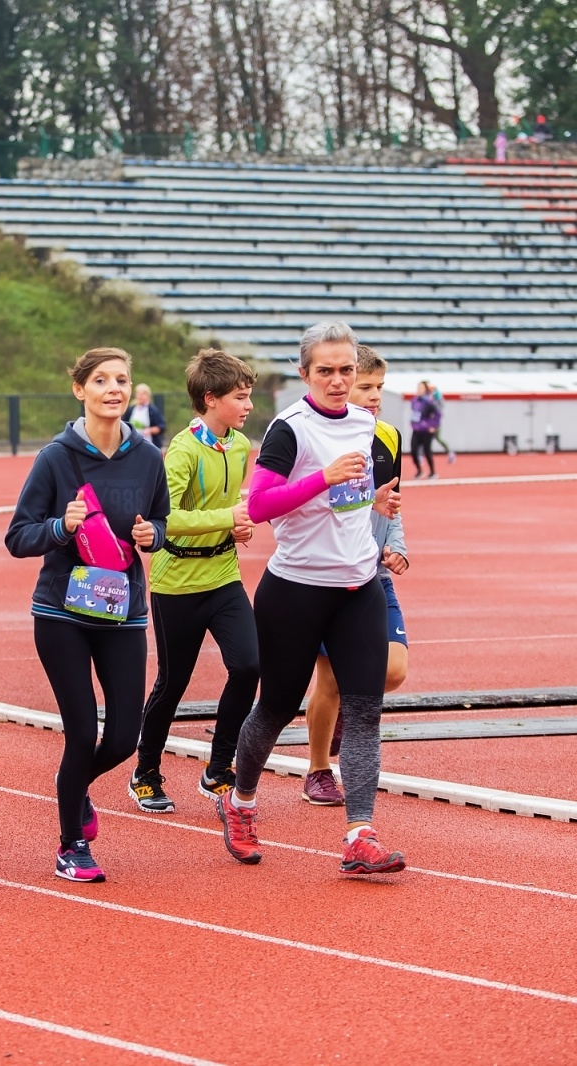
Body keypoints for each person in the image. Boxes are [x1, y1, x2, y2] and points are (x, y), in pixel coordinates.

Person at [216, 322, 405, 876]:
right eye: (326, 370)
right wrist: (324, 477)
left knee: (366, 712)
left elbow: (353, 499)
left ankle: (359, 833)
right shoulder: (288, 429)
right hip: (295, 591)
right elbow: (261, 505)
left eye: (347, 369)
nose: (339, 380)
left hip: (358, 588)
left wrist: (378, 505)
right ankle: (241, 802)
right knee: (275, 708)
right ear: (305, 374)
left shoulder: (368, 423)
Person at [5, 347, 169, 883]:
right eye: (101, 380)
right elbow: (18, 536)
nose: (114, 388)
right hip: (62, 612)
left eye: (122, 379)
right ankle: (71, 842)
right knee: (81, 732)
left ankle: (72, 789)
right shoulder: (56, 458)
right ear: (80, 390)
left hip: (123, 611)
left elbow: (162, 521)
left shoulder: (147, 457)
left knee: (123, 735)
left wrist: (154, 535)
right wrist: (61, 527)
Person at [128, 349, 260, 813]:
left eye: (249, 397)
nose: (248, 406)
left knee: (248, 665)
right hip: (176, 581)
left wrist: (235, 527)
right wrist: (227, 516)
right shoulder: (182, 449)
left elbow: (226, 511)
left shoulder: (241, 446)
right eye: (240, 398)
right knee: (173, 682)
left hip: (223, 574)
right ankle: (146, 771)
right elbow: (166, 516)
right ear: (210, 398)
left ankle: (219, 767)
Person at [302, 346, 410, 806]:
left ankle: (348, 713)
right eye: (366, 386)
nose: (374, 395)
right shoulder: (323, 437)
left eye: (379, 387)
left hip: (374, 573)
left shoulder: (388, 436)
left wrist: (397, 545)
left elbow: (394, 502)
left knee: (394, 670)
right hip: (331, 574)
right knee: (328, 680)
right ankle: (318, 769)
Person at [409, 381, 442, 479]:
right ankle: (419, 470)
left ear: (425, 390)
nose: (419, 390)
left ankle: (432, 472)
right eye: (418, 387)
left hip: (426, 431)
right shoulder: (414, 400)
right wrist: (413, 423)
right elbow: (415, 413)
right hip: (416, 430)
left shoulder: (429, 402)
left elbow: (438, 414)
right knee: (413, 450)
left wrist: (433, 425)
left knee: (427, 451)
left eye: (421, 388)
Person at [430, 381, 457, 464]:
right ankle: (421, 456)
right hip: (428, 422)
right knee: (425, 440)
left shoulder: (437, 397)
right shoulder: (428, 398)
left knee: (437, 438)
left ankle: (450, 452)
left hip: (435, 422)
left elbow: (440, 409)